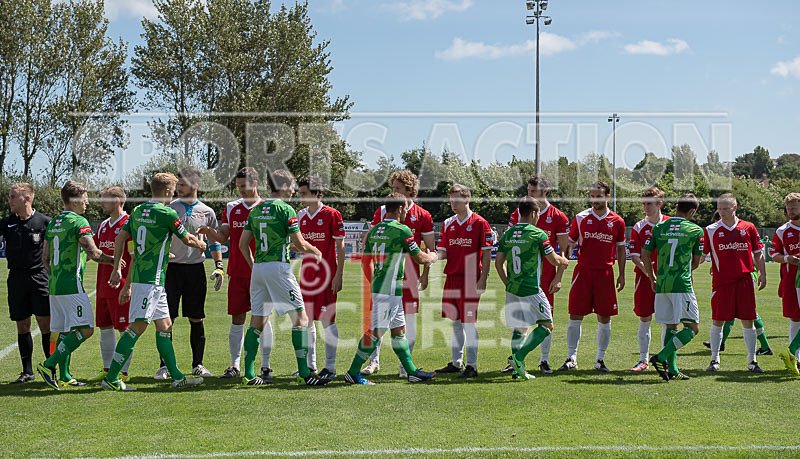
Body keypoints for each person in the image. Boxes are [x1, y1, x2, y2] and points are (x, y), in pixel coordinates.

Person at [102, 173, 207, 391]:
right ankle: (111, 377)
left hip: (151, 280)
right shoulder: (166, 213)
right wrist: (201, 245)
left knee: (165, 325)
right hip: (149, 281)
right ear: (168, 191)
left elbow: (121, 238)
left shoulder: (138, 211)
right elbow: (186, 239)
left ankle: (177, 376)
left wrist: (116, 268)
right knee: (137, 327)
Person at [238, 169, 329, 386]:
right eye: (292, 187)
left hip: (259, 269)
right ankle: (304, 373)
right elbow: (299, 244)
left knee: (256, 322)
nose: (293, 191)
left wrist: (255, 267)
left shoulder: (256, 210)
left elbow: (242, 245)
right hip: (278, 268)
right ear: (285, 186)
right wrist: (317, 252)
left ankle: (249, 375)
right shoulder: (285, 209)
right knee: (301, 319)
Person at [344, 192, 438, 385]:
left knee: (399, 330)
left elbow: (365, 261)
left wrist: (376, 282)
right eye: (405, 209)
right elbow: (419, 257)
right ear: (401, 208)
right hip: (389, 289)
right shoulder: (402, 230)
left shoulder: (375, 230)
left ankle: (411, 371)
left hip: (386, 288)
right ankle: (353, 372)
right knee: (375, 332)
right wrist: (433, 257)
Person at [36, 181, 115, 390]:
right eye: (86, 199)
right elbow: (94, 253)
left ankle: (65, 375)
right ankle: (48, 365)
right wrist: (115, 260)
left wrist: (57, 277)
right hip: (71, 284)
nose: (88, 203)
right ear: (76, 200)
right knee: (86, 329)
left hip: (54, 285)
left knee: (64, 331)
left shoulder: (54, 222)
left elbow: (45, 259)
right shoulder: (79, 221)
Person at [197, 167, 273, 380]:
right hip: (238, 272)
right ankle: (234, 365)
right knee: (237, 318)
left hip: (263, 272)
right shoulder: (232, 208)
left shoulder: (268, 207)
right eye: (238, 186)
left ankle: (265, 366)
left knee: (263, 319)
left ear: (255, 183)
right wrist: (207, 231)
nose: (240, 190)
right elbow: (222, 238)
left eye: (244, 186)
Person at [361, 170, 435, 377]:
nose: (393, 192)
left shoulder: (423, 215)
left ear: (409, 191)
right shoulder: (382, 212)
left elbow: (430, 248)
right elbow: (370, 243)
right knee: (377, 321)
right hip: (385, 276)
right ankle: (373, 361)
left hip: (409, 276)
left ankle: (405, 367)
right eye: (392, 188)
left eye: (398, 189)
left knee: (406, 321)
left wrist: (426, 273)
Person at [155, 167, 223, 379]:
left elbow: (214, 242)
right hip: (172, 270)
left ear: (195, 185)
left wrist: (219, 266)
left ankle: (198, 364)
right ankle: (165, 366)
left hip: (196, 270)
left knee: (197, 318)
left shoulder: (208, 212)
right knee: (168, 319)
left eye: (182, 184)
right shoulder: (169, 208)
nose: (178, 188)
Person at [502, 174, 569, 375]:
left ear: (545, 192)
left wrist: (558, 278)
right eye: (528, 191)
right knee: (535, 323)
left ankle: (543, 360)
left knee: (543, 319)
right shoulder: (519, 214)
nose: (529, 194)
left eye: (533, 192)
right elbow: (560, 257)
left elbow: (564, 250)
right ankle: (517, 361)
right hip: (531, 281)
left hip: (546, 278)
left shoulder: (558, 216)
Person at [559, 181, 626, 372]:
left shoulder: (617, 221)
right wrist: (568, 250)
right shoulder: (580, 218)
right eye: (592, 196)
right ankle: (571, 358)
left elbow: (621, 250)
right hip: (583, 272)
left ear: (607, 197)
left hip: (605, 274)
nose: (594, 200)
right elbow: (569, 242)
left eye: (598, 196)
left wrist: (621, 275)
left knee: (605, 317)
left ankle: (600, 360)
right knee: (575, 315)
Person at [703, 193, 766, 373]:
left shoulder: (748, 227)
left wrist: (763, 273)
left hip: (745, 280)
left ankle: (752, 361)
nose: (721, 212)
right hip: (722, 281)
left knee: (748, 320)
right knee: (718, 320)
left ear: (734, 208)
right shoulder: (710, 230)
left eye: (725, 208)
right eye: (719, 208)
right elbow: (701, 256)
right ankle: (714, 359)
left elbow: (758, 252)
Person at [435, 184, 493, 378]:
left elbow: (486, 255)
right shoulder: (448, 223)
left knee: (469, 322)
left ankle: (472, 366)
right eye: (451, 200)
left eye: (457, 200)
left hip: (470, 279)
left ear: (467, 199)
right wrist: (429, 257)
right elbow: (442, 252)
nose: (453, 204)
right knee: (455, 322)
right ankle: (456, 362)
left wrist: (483, 279)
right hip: (451, 277)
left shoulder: (480, 223)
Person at [643, 194, 704, 381]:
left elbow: (645, 253)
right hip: (681, 283)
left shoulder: (659, 227)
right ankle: (661, 357)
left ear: (676, 207)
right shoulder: (695, 230)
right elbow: (696, 262)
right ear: (692, 211)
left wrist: (652, 277)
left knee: (671, 326)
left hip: (662, 283)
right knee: (693, 328)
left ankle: (672, 370)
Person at [0, 183, 51, 383]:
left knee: (45, 325)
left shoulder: (45, 222)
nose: (9, 200)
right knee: (22, 325)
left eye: (13, 197)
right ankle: (27, 371)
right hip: (16, 278)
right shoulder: (7, 222)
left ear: (27, 199)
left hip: (39, 277)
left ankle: (51, 368)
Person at [296, 176, 345, 379]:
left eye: (305, 194)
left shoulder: (332, 215)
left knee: (327, 320)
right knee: (306, 320)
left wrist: (339, 275)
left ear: (316, 193)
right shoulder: (300, 216)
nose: (301, 198)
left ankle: (331, 367)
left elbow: (340, 247)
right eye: (300, 194)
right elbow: (297, 244)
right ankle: (311, 365)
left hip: (327, 277)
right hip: (307, 277)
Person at [93, 186, 134, 380]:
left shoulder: (129, 224)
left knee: (123, 329)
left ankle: (122, 371)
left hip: (121, 287)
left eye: (104, 199)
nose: (101, 203)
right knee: (104, 327)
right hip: (102, 286)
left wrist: (129, 285)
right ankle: (108, 368)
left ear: (117, 201)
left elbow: (134, 256)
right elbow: (96, 253)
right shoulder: (102, 226)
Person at [627, 187, 670, 372]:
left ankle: (665, 359)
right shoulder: (638, 226)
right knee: (645, 318)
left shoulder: (671, 224)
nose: (645, 207)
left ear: (659, 204)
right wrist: (650, 275)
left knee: (669, 321)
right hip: (644, 279)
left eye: (649, 204)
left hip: (667, 281)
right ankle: (643, 360)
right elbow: (635, 256)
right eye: (643, 203)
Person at [772, 193, 800, 375]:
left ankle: (791, 353)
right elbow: (774, 254)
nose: (790, 211)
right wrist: (788, 258)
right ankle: (795, 357)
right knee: (795, 318)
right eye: (788, 208)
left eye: (794, 208)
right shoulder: (782, 231)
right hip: (792, 281)